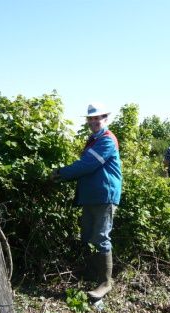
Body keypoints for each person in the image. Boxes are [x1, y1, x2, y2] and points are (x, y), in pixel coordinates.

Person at [51, 102, 122, 299]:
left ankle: (106, 283)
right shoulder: (93, 140)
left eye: (97, 118)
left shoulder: (107, 140)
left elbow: (87, 165)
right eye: (90, 118)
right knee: (89, 235)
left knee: (101, 236)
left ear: (105, 119)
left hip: (104, 195)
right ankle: (94, 275)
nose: (93, 121)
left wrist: (60, 174)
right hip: (92, 195)